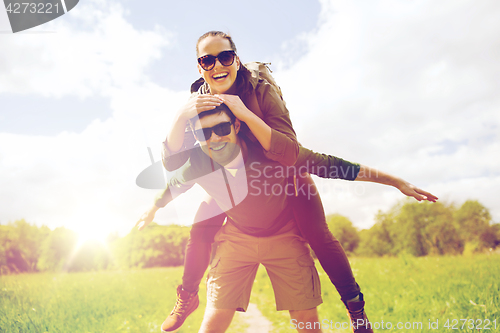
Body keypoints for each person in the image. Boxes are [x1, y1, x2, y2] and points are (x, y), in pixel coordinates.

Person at [138, 31, 438, 333]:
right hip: (237, 203)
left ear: (237, 59)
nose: (217, 65)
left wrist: (396, 181)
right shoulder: (200, 115)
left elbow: (311, 158)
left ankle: (355, 308)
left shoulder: (261, 96)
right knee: (203, 220)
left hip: (286, 182)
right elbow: (177, 170)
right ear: (199, 67)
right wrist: (178, 121)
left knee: (319, 236)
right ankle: (187, 297)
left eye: (225, 57)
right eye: (207, 60)